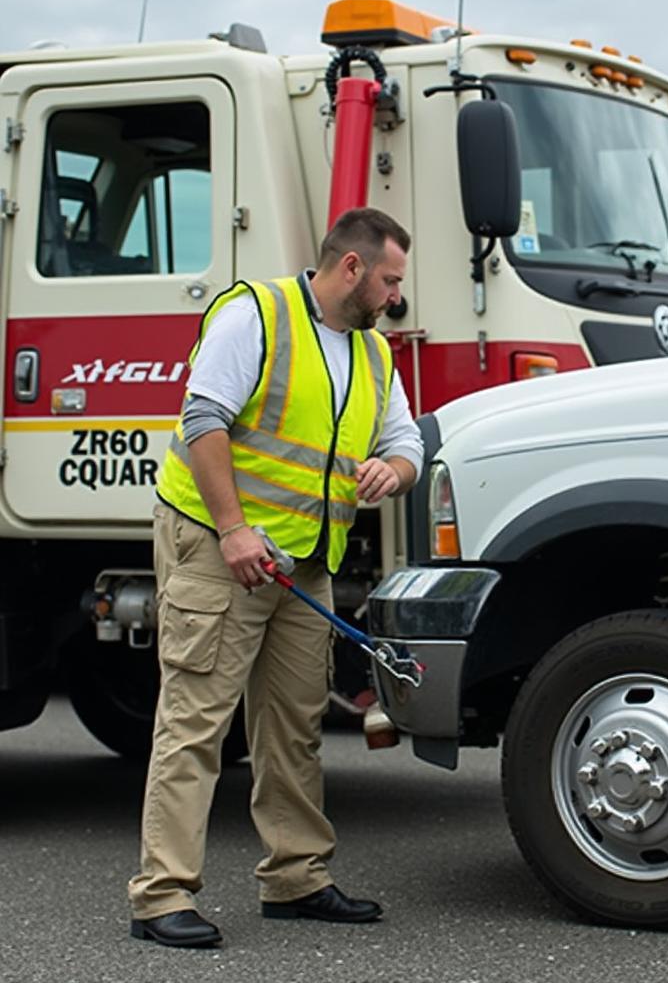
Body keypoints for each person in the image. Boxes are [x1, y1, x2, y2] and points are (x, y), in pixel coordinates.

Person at [128, 208, 423, 949]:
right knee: (196, 723)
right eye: (389, 280)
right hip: (218, 548)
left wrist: (397, 468)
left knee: (292, 728)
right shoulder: (256, 315)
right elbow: (204, 421)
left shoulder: (373, 354)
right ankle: (160, 894)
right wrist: (231, 530)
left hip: (303, 562)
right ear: (351, 268)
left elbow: (406, 437)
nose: (396, 297)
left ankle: (297, 879)